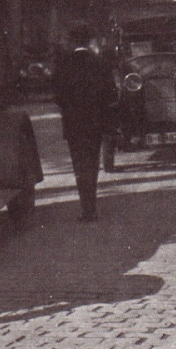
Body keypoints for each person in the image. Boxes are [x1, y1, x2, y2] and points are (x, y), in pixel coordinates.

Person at [52, 23, 118, 222]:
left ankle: (86, 209)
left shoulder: (63, 65)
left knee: (79, 166)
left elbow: (57, 96)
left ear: (72, 41)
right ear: (89, 41)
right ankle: (91, 207)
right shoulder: (100, 63)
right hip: (95, 123)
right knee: (92, 164)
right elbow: (111, 94)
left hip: (73, 124)